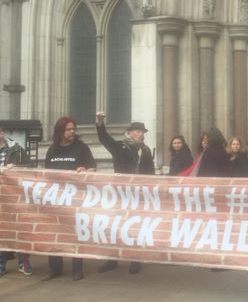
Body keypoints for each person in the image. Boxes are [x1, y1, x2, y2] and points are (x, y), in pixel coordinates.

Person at [96, 111, 154, 274]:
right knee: (116, 227)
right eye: (137, 131)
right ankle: (113, 259)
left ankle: (135, 259)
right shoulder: (120, 146)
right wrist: (100, 123)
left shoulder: (146, 150)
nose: (140, 134)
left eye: (142, 132)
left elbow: (150, 173)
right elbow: (104, 139)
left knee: (135, 227)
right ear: (129, 133)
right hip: (120, 194)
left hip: (138, 195)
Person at [43, 117, 96, 281]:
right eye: (69, 129)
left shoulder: (82, 148)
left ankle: (77, 269)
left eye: (74, 129)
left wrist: (85, 169)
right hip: (56, 199)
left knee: (74, 233)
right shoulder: (52, 150)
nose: (72, 132)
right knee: (54, 232)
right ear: (60, 131)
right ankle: (55, 268)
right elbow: (47, 174)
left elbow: (93, 168)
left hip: (75, 199)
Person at [0, 126, 33, 276]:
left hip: (14, 197)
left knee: (19, 230)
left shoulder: (17, 150)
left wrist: (16, 168)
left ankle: (23, 263)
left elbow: (31, 169)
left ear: (2, 134)